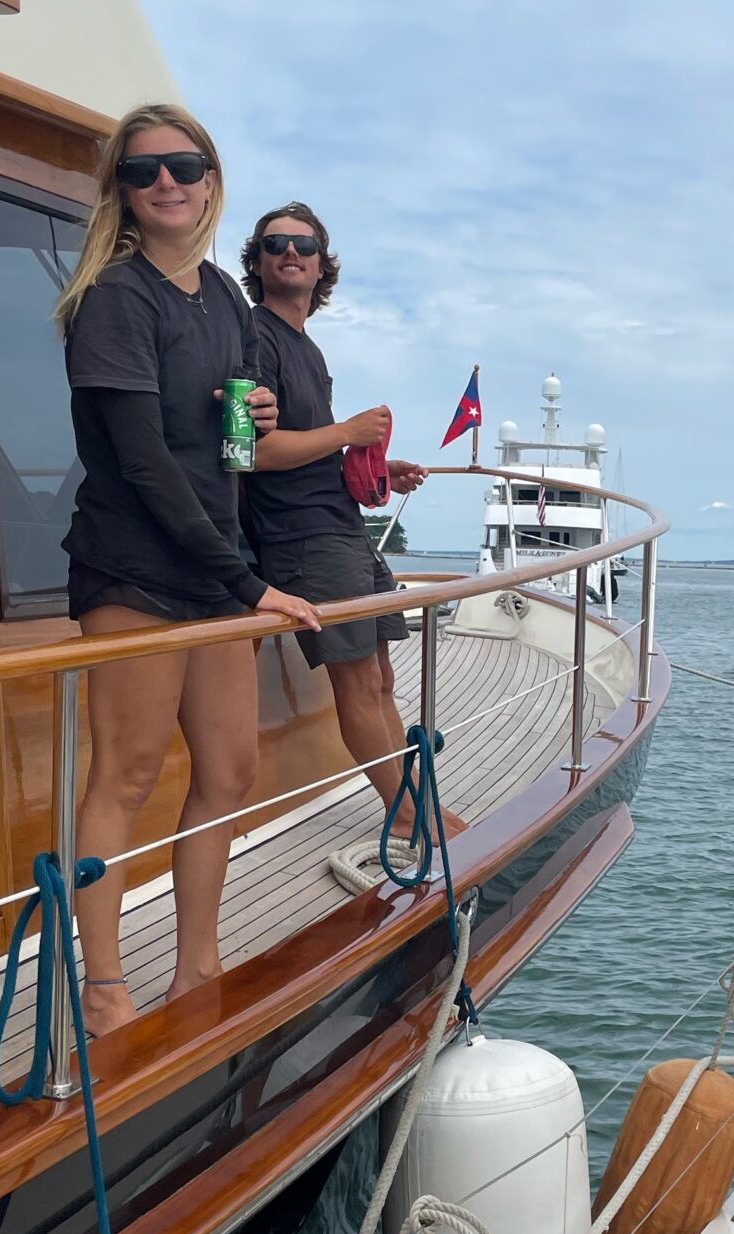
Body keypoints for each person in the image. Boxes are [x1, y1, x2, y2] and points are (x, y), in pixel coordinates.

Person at [54, 104, 321, 1035]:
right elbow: (140, 462)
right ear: (121, 195)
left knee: (230, 767)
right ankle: (102, 985)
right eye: (143, 171)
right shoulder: (114, 300)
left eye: (183, 164)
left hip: (214, 566)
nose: (165, 181)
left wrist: (247, 413)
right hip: (134, 569)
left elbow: (233, 455)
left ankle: (196, 962)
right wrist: (250, 584)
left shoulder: (227, 303)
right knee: (125, 774)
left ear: (210, 179)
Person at [236, 202, 463, 837]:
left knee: (382, 678)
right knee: (360, 682)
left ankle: (413, 805)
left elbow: (306, 449)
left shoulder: (305, 347)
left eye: (304, 245)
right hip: (302, 537)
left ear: (321, 265)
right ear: (256, 261)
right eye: (276, 243)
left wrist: (377, 470)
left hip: (337, 525)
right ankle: (411, 818)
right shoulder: (256, 338)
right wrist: (348, 431)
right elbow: (252, 454)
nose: (291, 252)